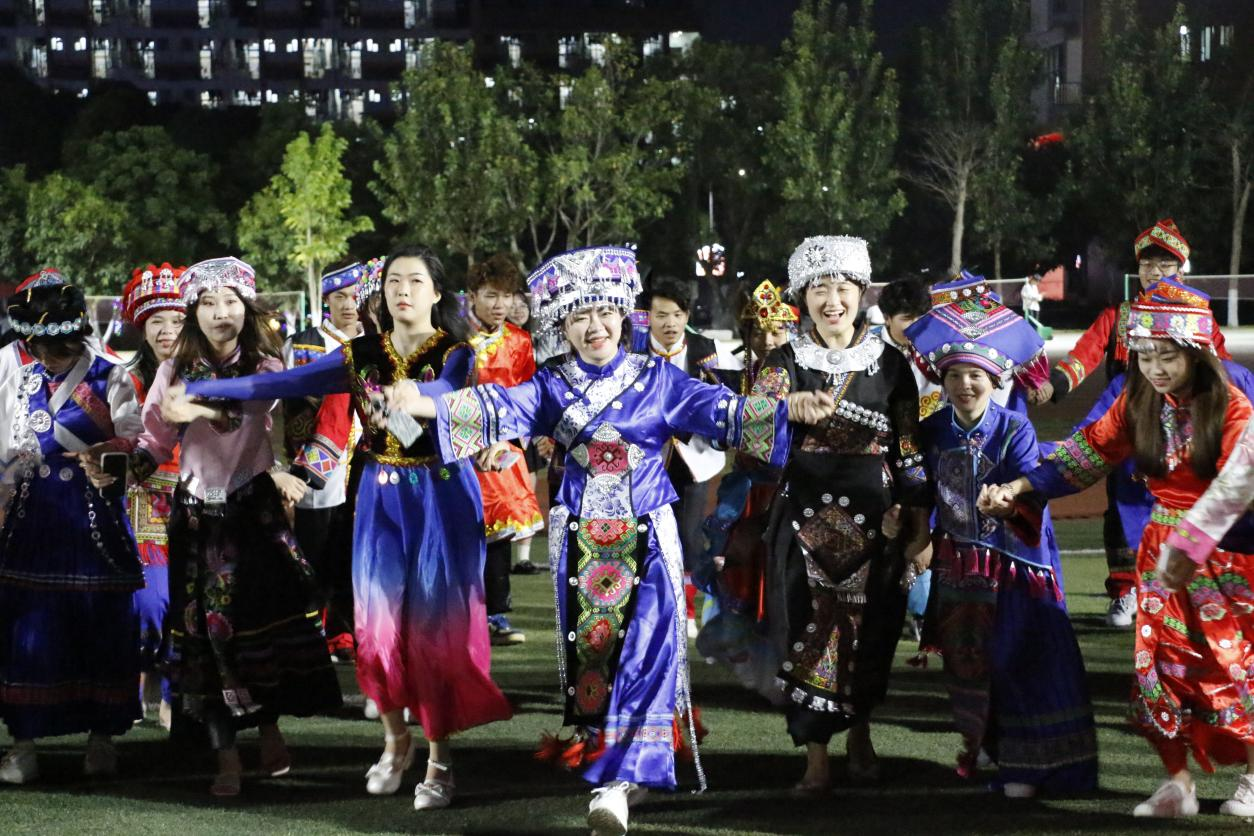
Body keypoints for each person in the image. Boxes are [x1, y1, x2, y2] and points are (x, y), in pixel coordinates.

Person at [381, 245, 827, 836]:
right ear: (562, 327)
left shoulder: (658, 379)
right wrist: (421, 401)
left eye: (605, 313)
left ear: (623, 316)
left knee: (646, 650)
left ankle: (617, 783)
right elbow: (494, 405)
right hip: (582, 545)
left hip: (648, 538)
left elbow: (721, 409)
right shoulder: (550, 385)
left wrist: (784, 407)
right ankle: (622, 768)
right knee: (598, 658)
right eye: (579, 317)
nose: (595, 327)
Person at [162, 246, 513, 811]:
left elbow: (448, 391)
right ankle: (395, 742)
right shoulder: (359, 354)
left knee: (437, 629)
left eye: (415, 281)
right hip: (379, 494)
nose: (403, 291)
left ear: (436, 293)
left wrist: (415, 396)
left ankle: (439, 760)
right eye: (393, 281)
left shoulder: (455, 353)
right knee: (377, 625)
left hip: (441, 495)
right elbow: (278, 384)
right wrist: (205, 391)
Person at [984, 282, 1254, 819]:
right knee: (1159, 667)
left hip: (1227, 556)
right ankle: (1177, 782)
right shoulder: (1138, 403)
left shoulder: (1233, 406)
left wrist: (1192, 541)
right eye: (1145, 356)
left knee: (1234, 665)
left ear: (1197, 352)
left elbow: (1240, 481)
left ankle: (1251, 778)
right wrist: (1021, 487)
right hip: (1161, 553)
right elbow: (1086, 453)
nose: (1154, 368)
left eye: (1167, 356)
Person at [120, 256, 343, 797]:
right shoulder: (173, 370)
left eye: (231, 302)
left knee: (258, 625)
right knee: (203, 635)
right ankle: (226, 755)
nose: (222, 312)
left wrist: (193, 410)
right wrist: (125, 465)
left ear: (247, 309)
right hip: (196, 516)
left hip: (251, 512)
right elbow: (156, 439)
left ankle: (268, 730)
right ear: (194, 313)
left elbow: (245, 415)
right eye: (209, 303)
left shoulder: (266, 366)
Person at [751, 236, 931, 793]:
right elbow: (751, 435)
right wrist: (782, 409)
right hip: (802, 520)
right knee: (805, 630)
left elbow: (909, 450)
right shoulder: (782, 362)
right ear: (803, 298)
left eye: (843, 288)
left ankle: (860, 733)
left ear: (861, 293)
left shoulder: (892, 364)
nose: (832, 301)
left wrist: (918, 521)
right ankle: (816, 754)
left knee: (871, 629)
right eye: (819, 289)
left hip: (877, 521)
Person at [907, 286, 1098, 798]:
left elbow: (1032, 487)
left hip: (1015, 567)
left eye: (975, 375)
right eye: (953, 375)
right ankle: (990, 751)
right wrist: (914, 530)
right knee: (967, 664)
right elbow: (920, 489)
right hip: (958, 567)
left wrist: (1009, 504)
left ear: (995, 379)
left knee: (1021, 661)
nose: (964, 385)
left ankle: (1030, 768)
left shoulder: (1015, 429)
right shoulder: (931, 430)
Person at [1042, 219, 1229, 628]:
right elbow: (1085, 354)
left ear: (1180, 271)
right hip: (1127, 432)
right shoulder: (1118, 317)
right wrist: (1055, 385)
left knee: (1183, 508)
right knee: (1121, 509)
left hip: (1183, 434)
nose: (1154, 272)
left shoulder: (1198, 317)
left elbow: (1223, 371)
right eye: (1147, 264)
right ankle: (1124, 592)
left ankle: (1185, 590)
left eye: (1165, 265)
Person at [0, 269, 144, 784]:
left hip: (93, 517)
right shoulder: (16, 374)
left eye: (55, 346)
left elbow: (135, 437)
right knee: (28, 627)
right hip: (32, 513)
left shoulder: (110, 376)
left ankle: (101, 739)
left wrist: (107, 454)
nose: (46, 355)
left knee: (99, 624)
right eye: (38, 346)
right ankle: (23, 743)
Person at [694, 280, 798, 700]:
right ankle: (754, 667)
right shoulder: (734, 380)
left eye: (777, 331)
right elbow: (718, 435)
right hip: (746, 494)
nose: (767, 340)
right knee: (737, 572)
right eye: (759, 331)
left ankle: (788, 669)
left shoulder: (806, 374)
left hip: (790, 492)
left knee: (786, 580)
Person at [282, 262, 366, 661]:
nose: (349, 305)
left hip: (365, 464)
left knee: (355, 552)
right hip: (317, 464)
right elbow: (278, 405)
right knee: (314, 551)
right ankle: (312, 633)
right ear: (326, 301)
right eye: (339, 297)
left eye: (355, 297)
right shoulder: (304, 345)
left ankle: (346, 632)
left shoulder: (378, 343)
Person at [645, 278, 738, 636]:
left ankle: (685, 611)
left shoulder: (710, 351)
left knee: (688, 537)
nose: (669, 323)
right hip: (645, 462)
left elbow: (730, 400)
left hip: (693, 460)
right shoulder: (632, 353)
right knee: (645, 536)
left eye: (676, 315)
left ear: (686, 316)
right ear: (648, 316)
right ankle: (649, 611)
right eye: (661, 315)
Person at [465, 254, 545, 647]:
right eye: (491, 295)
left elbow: (526, 397)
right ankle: (459, 615)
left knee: (497, 534)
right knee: (459, 534)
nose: (500, 304)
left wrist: (507, 441)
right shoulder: (452, 338)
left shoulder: (519, 341)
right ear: (472, 296)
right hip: (457, 449)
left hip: (500, 451)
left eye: (507, 296)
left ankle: (495, 615)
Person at [120, 262, 187, 730]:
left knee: (188, 601)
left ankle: (171, 693)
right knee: (150, 602)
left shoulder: (207, 373)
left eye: (177, 320)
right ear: (142, 329)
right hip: (142, 496)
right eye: (156, 321)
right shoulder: (124, 379)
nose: (166, 330)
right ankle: (136, 680)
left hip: (199, 495)